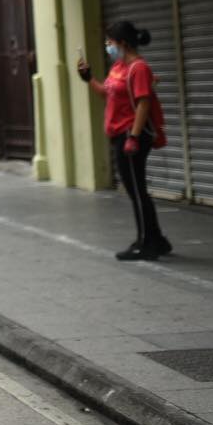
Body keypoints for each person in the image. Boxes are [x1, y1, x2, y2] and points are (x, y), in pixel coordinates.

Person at [77, 21, 170, 261]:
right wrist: (89, 79)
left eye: (110, 42)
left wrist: (134, 137)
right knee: (135, 190)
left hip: (131, 136)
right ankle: (156, 239)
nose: (108, 46)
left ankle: (146, 243)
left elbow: (143, 103)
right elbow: (107, 95)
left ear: (123, 43)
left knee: (137, 191)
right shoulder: (119, 67)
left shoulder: (139, 68)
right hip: (120, 135)